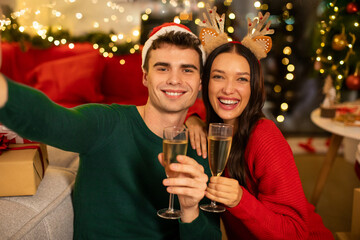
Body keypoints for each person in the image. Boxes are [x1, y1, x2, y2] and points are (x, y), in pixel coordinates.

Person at [0, 23, 221, 239]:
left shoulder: (202, 149)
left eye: (187, 70)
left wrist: (190, 210)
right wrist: (5, 92)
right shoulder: (106, 123)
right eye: (163, 68)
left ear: (200, 82)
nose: (175, 79)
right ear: (145, 76)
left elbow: (211, 234)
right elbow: (53, 121)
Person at [186, 7, 334, 240]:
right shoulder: (215, 131)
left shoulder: (264, 137)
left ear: (253, 87)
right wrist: (192, 119)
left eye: (241, 79)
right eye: (218, 76)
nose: (228, 88)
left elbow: (296, 232)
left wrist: (240, 200)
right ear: (205, 83)